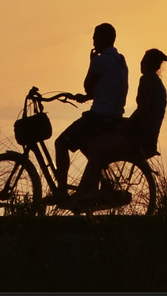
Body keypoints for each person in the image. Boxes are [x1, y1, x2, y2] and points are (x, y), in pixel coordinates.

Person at [78, 48, 167, 196]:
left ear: (145, 63)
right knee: (103, 144)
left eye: (143, 59)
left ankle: (85, 192)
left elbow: (143, 111)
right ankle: (99, 187)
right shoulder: (158, 83)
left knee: (94, 146)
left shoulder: (146, 79)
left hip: (140, 135)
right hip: (149, 136)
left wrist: (125, 126)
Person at [52, 23, 128, 197]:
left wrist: (91, 62)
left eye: (95, 37)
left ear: (102, 39)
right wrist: (87, 98)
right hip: (114, 117)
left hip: (98, 117)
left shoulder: (100, 61)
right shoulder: (121, 61)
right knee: (86, 146)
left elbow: (88, 86)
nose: (93, 41)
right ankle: (104, 184)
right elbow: (106, 88)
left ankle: (61, 191)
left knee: (61, 143)